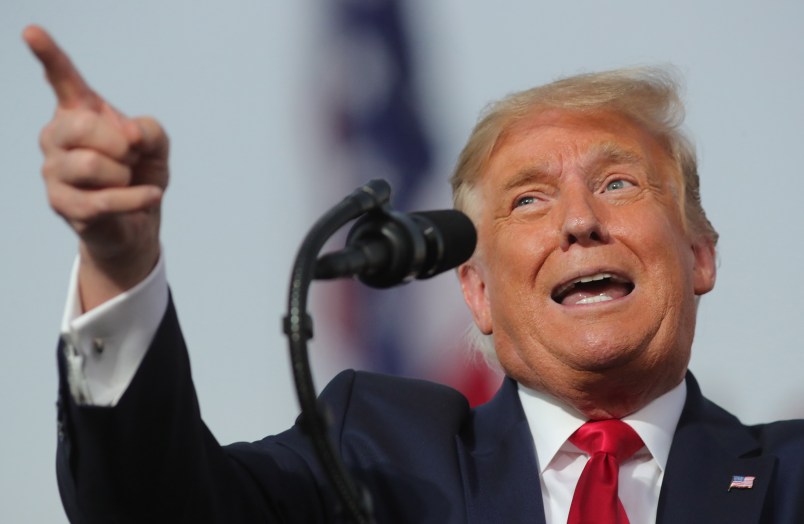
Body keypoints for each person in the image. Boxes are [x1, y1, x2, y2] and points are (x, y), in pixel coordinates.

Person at [24, 24, 804, 524]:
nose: (578, 221)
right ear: (477, 291)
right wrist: (117, 263)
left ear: (700, 251)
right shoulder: (379, 454)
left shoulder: (788, 476)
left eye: (618, 184)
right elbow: (153, 508)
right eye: (529, 200)